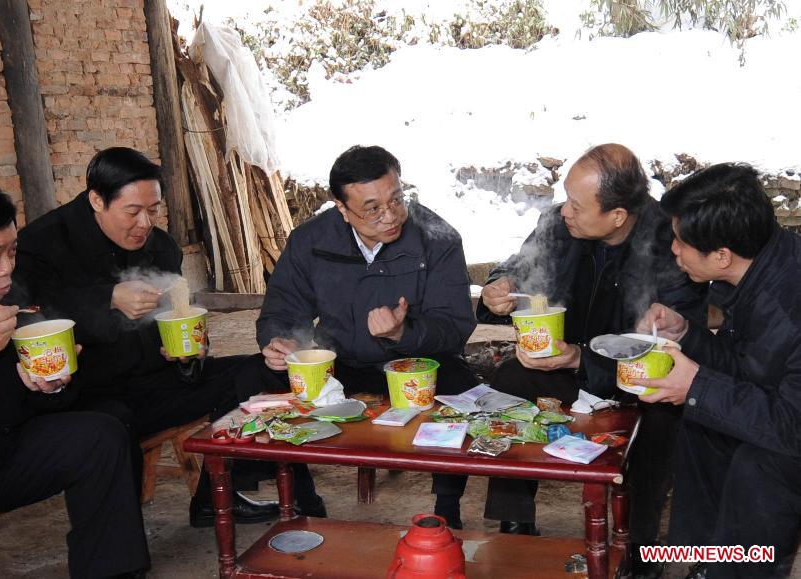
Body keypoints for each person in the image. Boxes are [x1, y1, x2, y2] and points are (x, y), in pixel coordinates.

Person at [0, 172, 149, 578]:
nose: (7, 270)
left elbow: (37, 396)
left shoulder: (9, 292)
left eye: (12, 252)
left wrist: (50, 387)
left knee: (101, 435)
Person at [14, 147, 277, 528]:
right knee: (109, 425)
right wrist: (105, 298)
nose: (145, 223)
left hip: (157, 382)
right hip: (89, 394)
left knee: (259, 375)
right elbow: (27, 315)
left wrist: (189, 353)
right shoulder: (43, 245)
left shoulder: (160, 246)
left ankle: (213, 500)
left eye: (153, 210)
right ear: (96, 200)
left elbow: (176, 317)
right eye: (133, 212)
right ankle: (117, 543)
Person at [475, 144, 707, 572]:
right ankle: (514, 522)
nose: (566, 211)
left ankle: (639, 546)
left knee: (661, 418)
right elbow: (516, 268)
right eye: (566, 199)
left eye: (578, 206)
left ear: (618, 215)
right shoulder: (558, 224)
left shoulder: (670, 244)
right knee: (509, 379)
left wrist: (580, 359)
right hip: (564, 366)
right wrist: (497, 288)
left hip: (634, 378)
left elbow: (677, 349)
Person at [241, 144, 479, 522]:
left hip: (415, 365)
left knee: (461, 387)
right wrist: (280, 341)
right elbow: (283, 310)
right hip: (341, 362)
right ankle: (304, 498)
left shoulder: (438, 239)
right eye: (371, 209)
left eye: (396, 199)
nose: (390, 216)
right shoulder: (311, 241)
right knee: (261, 376)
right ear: (341, 208)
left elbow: (454, 327)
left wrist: (404, 332)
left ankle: (446, 510)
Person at [632, 163, 799, 579]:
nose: (674, 250)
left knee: (758, 463)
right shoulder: (760, 267)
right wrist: (687, 333)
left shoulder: (790, 304)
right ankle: (707, 563)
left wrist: (696, 385)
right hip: (785, 412)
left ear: (722, 255)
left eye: (681, 242)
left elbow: (791, 428)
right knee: (701, 425)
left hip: (792, 434)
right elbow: (747, 366)